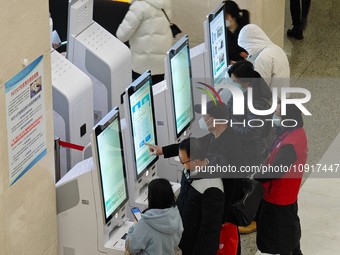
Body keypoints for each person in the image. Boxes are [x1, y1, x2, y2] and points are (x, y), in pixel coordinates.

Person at [146, 102, 244, 254]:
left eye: (205, 115)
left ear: (214, 120)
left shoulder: (230, 149)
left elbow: (232, 187)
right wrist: (163, 151)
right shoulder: (214, 137)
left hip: (221, 216)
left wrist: (221, 219)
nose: (202, 118)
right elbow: (192, 146)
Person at [253, 103, 307, 255]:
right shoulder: (295, 132)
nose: (274, 117)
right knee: (290, 237)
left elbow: (276, 170)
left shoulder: (290, 144)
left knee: (280, 241)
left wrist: (255, 175)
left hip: (277, 198)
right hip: (287, 195)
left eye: (277, 114)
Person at [176, 137, 225, 255]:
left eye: (183, 161)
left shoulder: (212, 187)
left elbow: (209, 230)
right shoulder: (189, 170)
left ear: (196, 161)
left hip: (199, 246)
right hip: (186, 239)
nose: (180, 163)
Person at [116, 0, 172, 85]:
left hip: (143, 62)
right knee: (157, 90)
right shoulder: (165, 2)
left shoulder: (139, 6)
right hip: (161, 61)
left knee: (141, 94)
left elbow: (122, 35)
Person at [125, 178, 183, 255]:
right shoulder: (175, 213)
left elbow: (131, 247)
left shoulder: (146, 222)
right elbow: (177, 240)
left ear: (151, 197)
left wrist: (135, 225)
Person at [237, 24, 290, 98]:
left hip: (272, 102)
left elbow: (259, 88)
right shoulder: (275, 48)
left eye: (246, 48)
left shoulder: (263, 58)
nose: (247, 51)